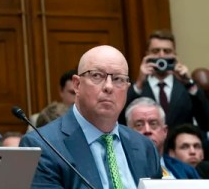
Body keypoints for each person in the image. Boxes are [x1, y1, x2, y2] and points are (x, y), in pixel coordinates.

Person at [20, 45, 161, 188]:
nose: (109, 87)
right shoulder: (41, 146)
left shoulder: (145, 147)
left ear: (127, 88)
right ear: (77, 85)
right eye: (97, 76)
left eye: (118, 78)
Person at [122, 30, 209, 131]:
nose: (161, 56)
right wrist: (139, 84)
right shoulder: (138, 88)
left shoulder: (187, 87)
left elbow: (206, 122)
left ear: (174, 55)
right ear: (147, 55)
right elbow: (122, 121)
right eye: (155, 51)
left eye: (167, 51)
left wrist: (188, 82)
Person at [125, 97, 200, 179]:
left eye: (153, 124)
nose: (147, 130)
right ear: (127, 133)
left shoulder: (187, 171)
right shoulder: (120, 169)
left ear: (165, 132)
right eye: (139, 125)